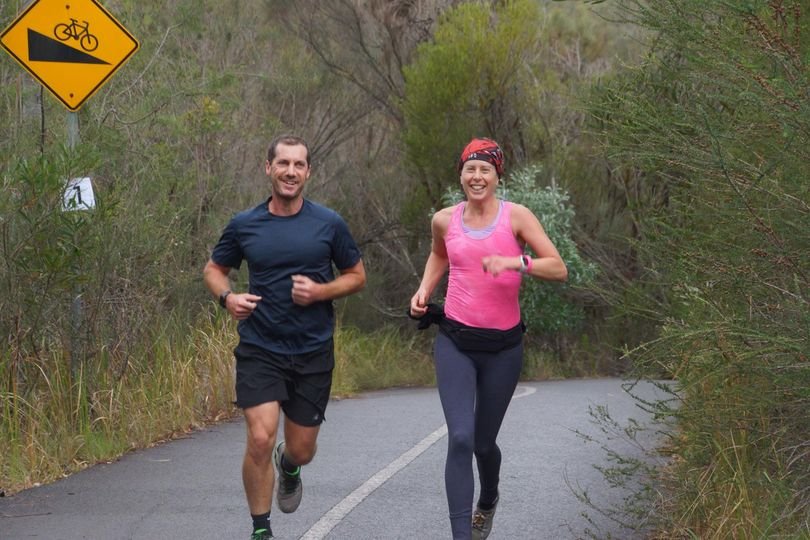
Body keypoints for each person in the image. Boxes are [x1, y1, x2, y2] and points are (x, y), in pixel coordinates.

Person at [203, 134, 366, 540]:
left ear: (308, 172)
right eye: (283, 164)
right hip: (260, 346)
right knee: (259, 437)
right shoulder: (245, 224)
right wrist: (228, 297)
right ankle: (261, 530)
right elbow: (213, 269)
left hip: (312, 350)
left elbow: (357, 276)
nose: (290, 172)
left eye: (298, 165)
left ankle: (288, 464)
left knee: (303, 450)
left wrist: (320, 291)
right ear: (268, 168)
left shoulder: (328, 224)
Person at [409, 138, 568, 540]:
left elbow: (558, 268)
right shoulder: (444, 220)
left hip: (503, 349)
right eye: (470, 169)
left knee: (483, 443)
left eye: (485, 170)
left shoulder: (517, 218)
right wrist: (425, 289)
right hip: (456, 341)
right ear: (461, 175)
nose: (477, 177)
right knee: (459, 438)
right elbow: (440, 255)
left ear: (498, 176)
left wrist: (517, 261)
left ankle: (489, 498)